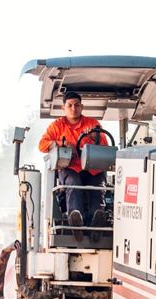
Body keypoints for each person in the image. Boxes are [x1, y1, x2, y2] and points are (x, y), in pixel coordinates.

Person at [39, 90, 109, 241]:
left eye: (76, 105)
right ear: (64, 108)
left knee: (98, 184)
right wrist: (61, 143)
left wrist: (94, 137)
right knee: (73, 182)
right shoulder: (56, 126)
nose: (73, 108)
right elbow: (42, 145)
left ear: (81, 107)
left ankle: (97, 222)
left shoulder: (93, 124)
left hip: (92, 168)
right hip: (70, 167)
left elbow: (105, 143)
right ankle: (75, 220)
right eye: (70, 105)